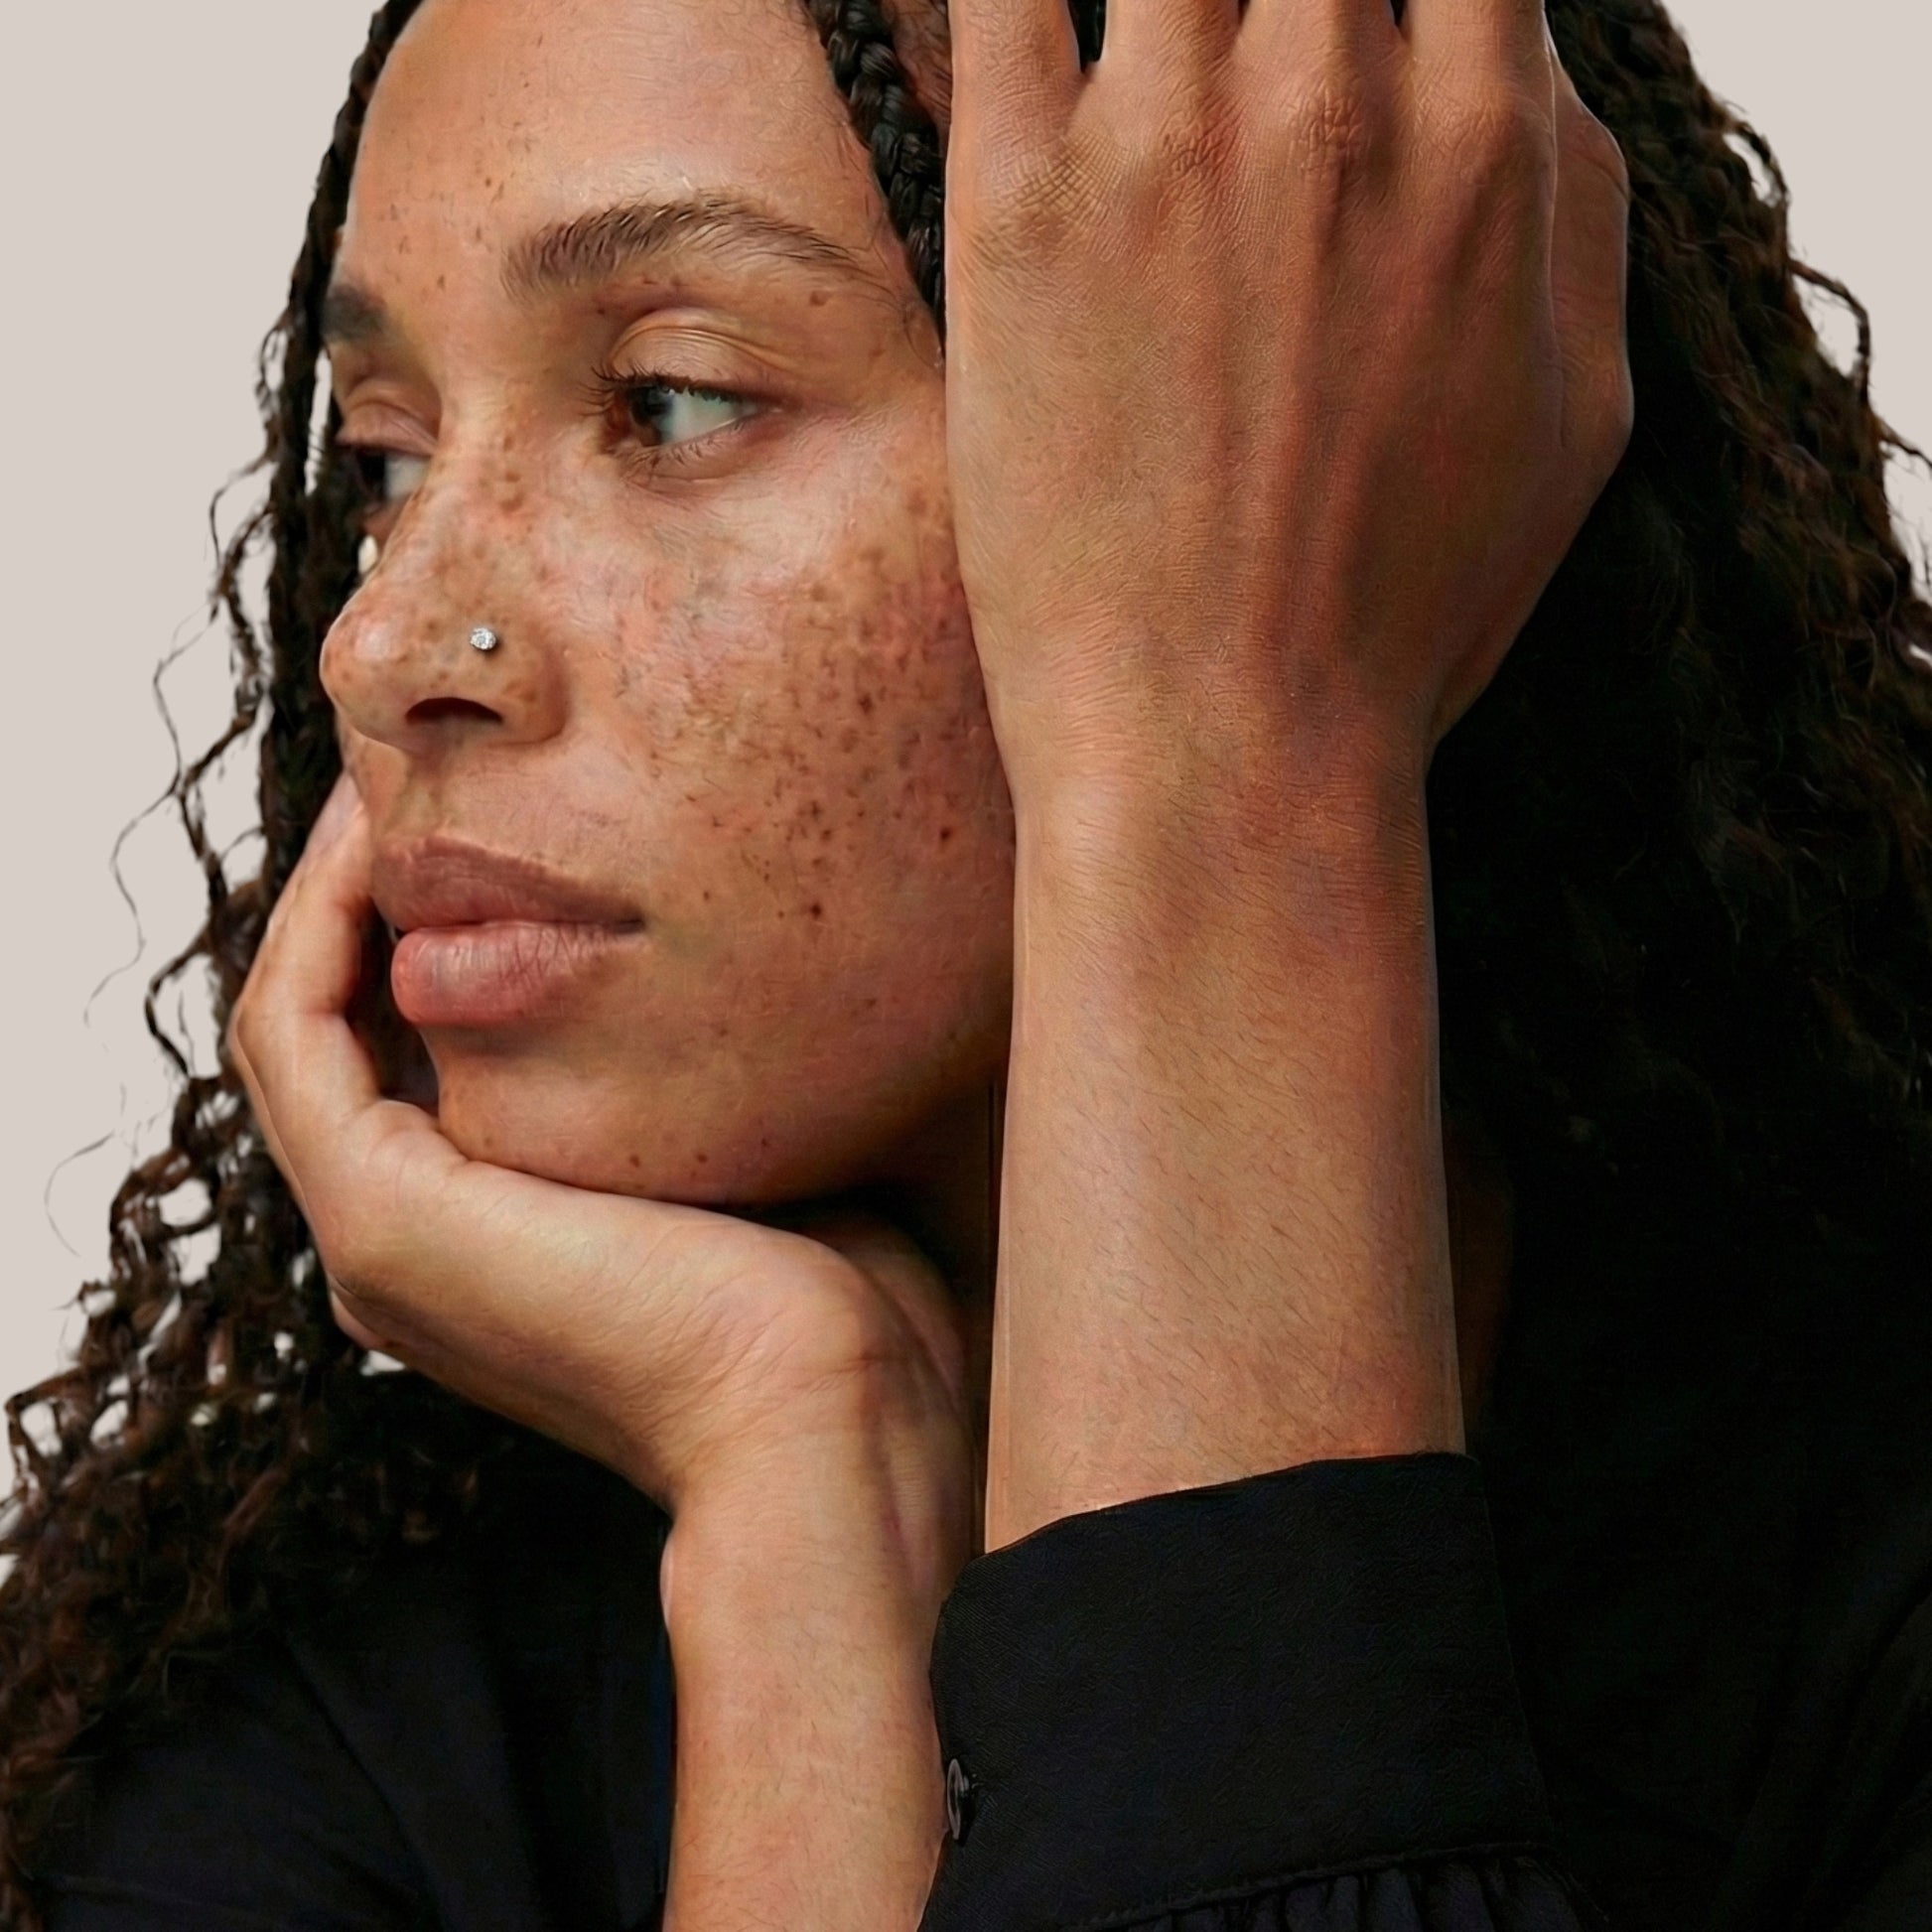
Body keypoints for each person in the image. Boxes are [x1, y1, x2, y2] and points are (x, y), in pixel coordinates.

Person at [2, 0, 1929, 1924]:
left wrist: (1228, 761)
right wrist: (793, 1553)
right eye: (387, 454)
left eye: (670, 400)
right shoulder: (263, 1744)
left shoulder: (1849, 1606)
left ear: (1327, 436)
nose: (385, 639)